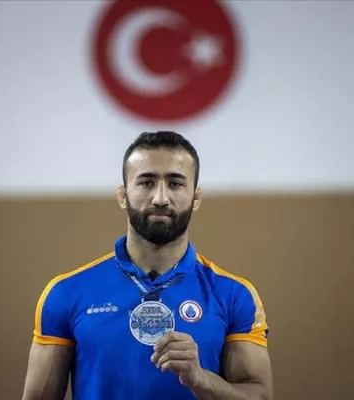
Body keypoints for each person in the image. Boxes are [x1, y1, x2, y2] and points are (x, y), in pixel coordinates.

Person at [20, 131, 273, 400]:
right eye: (146, 182)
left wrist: (201, 379)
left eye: (175, 184)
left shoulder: (234, 295)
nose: (160, 198)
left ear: (196, 198)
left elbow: (261, 396)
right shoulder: (66, 292)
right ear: (122, 195)